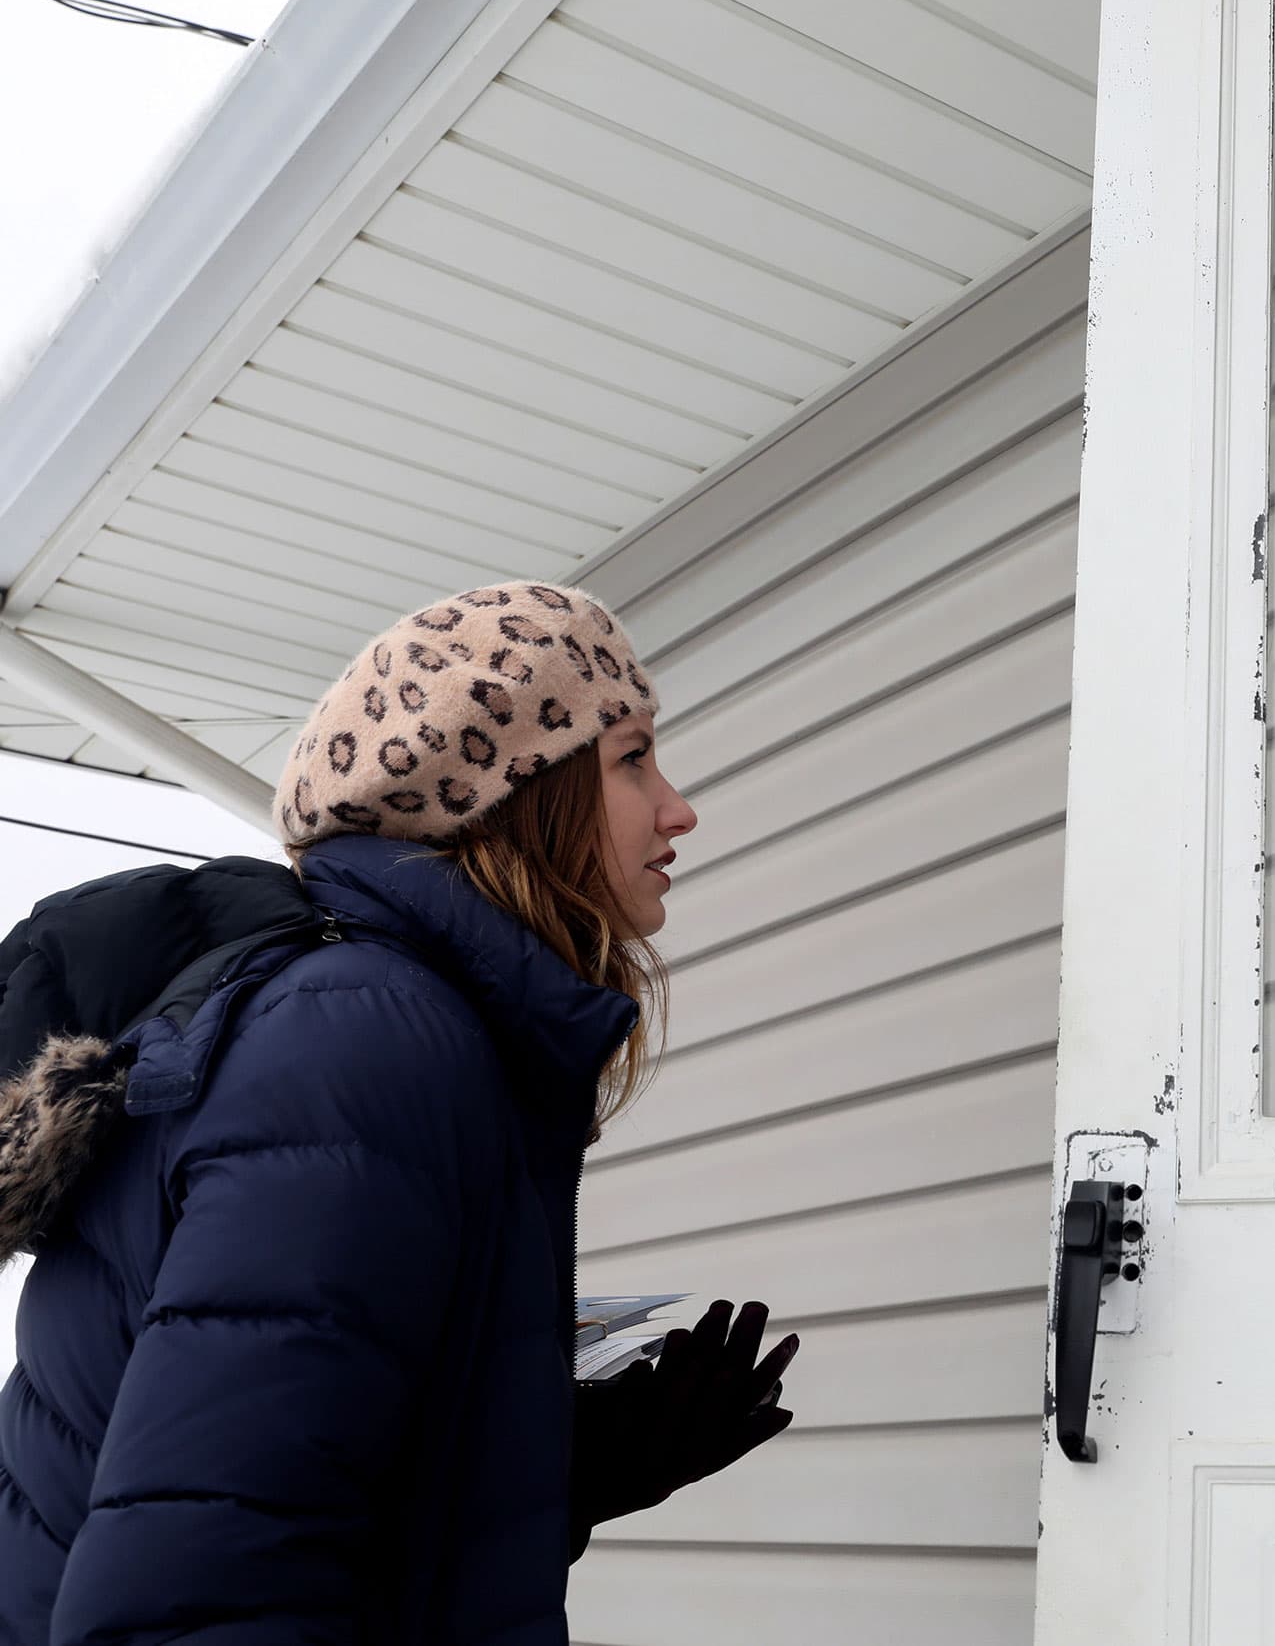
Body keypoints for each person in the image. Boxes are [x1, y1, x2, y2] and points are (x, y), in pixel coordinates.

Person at [0, 582, 794, 1642]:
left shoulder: (396, 1022)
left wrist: (559, 1467)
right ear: (513, 786)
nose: (677, 807)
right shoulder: (362, 1040)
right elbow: (195, 1591)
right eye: (632, 757)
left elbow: (282, 1492)